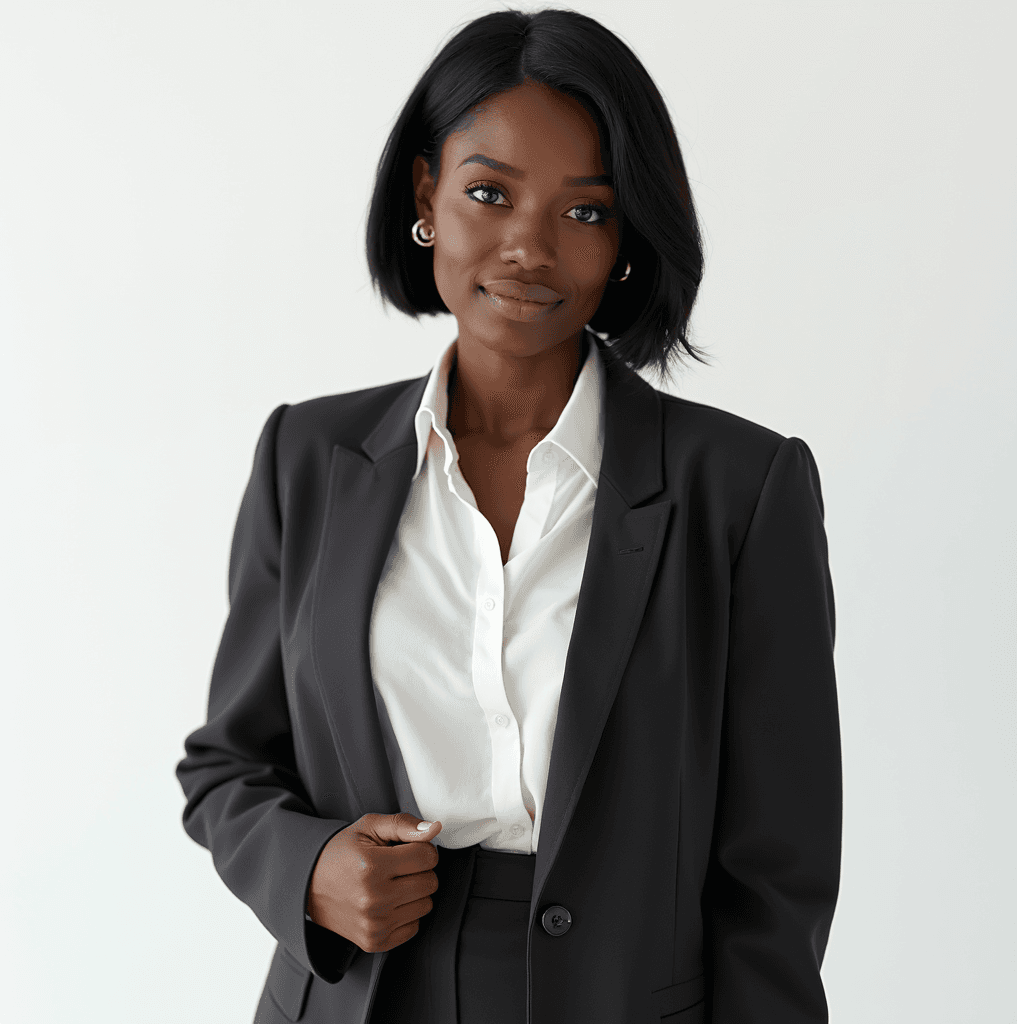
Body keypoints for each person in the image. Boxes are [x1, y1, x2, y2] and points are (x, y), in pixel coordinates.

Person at [175, 8, 841, 1024]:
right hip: (356, 990)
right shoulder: (307, 460)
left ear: (626, 238)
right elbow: (229, 760)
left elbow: (776, 869)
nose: (528, 247)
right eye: (489, 193)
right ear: (426, 197)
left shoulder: (740, 488)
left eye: (584, 212)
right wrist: (307, 865)